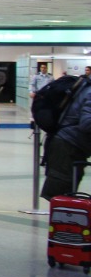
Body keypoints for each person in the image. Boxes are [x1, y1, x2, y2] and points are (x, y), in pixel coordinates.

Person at [39, 72, 91, 201]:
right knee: (61, 196)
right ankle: (63, 220)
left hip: (70, 145)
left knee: (64, 194)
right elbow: (87, 123)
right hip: (67, 146)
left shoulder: (86, 89)